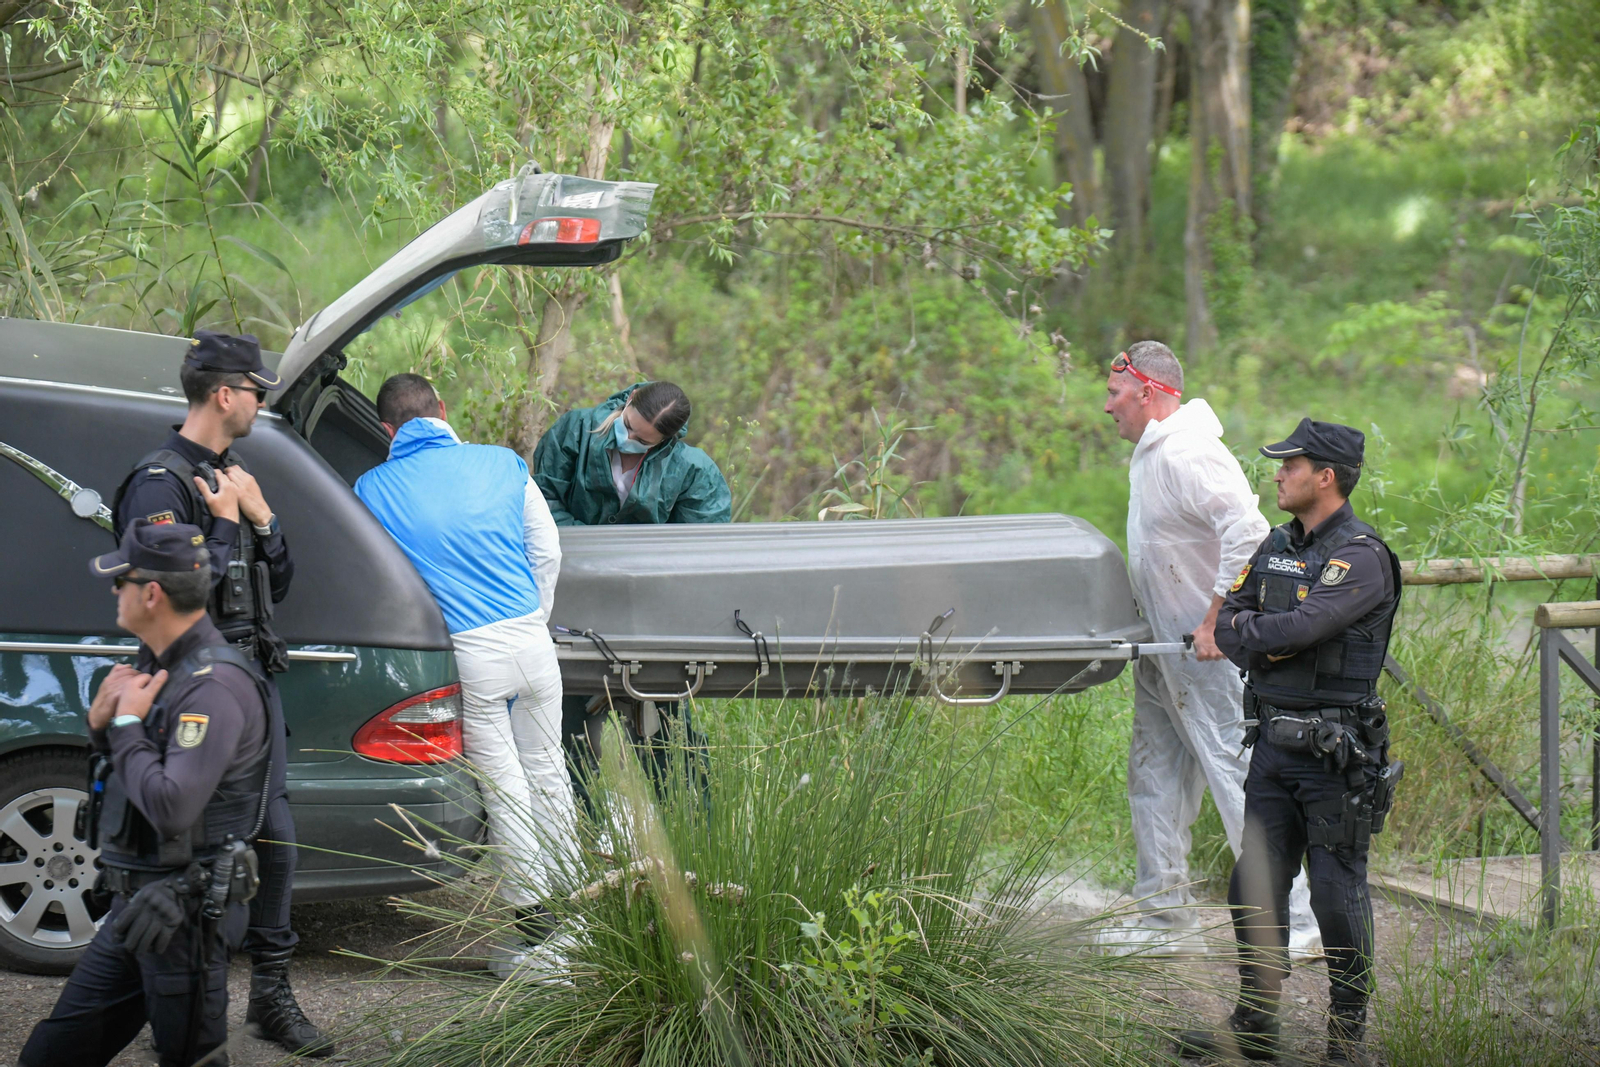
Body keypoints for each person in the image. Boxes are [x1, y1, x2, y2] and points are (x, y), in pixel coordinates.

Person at [109, 330, 331, 1056]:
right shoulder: (160, 481)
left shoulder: (233, 472)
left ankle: (269, 995)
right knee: (190, 854)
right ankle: (164, 1007)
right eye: (257, 389)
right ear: (224, 393)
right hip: (195, 687)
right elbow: (176, 597)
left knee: (276, 847)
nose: (263, 401)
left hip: (247, 683)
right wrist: (231, 523)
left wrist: (262, 519)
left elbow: (280, 585)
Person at [1179, 419, 1403, 1065]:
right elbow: (1232, 621)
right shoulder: (1276, 543)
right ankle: (1254, 1021)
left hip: (1336, 755)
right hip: (1274, 749)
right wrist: (1260, 632)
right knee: (1253, 883)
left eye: (1290, 464)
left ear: (1325, 475)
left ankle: (1346, 1036)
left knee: (1336, 893)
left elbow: (1303, 627)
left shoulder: (1361, 556)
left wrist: (1261, 632)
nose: (1277, 473)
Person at [1098, 341, 1321, 958]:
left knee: (1240, 779)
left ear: (1147, 391)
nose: (1107, 406)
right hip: (1164, 651)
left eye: (1114, 393)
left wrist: (1216, 620)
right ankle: (1164, 918)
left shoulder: (1189, 450)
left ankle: (1297, 922)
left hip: (1209, 656)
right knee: (1154, 776)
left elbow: (1249, 533)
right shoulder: (1152, 454)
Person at [20, 521, 272, 1067]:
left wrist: (128, 723)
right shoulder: (161, 665)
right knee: (50, 1055)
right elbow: (130, 774)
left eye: (121, 582)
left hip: (183, 917)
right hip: (138, 908)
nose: (114, 591)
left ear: (151, 593)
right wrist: (102, 725)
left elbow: (171, 806)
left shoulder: (214, 685)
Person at [354, 373, 574, 961]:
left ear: (387, 430)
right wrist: (533, 617)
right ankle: (576, 921)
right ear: (443, 410)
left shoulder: (371, 488)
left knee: (505, 789)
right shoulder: (504, 463)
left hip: (472, 654)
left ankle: (537, 936)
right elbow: (548, 551)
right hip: (531, 639)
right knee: (550, 769)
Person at [532, 381, 731, 812]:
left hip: (649, 615)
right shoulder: (575, 431)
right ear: (626, 405)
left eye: (643, 439)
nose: (630, 439)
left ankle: (693, 831)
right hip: (571, 601)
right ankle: (577, 833)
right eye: (628, 426)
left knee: (667, 729)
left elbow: (702, 548)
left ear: (668, 439)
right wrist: (597, 550)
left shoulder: (692, 470)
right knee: (566, 722)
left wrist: (635, 566)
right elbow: (541, 502)